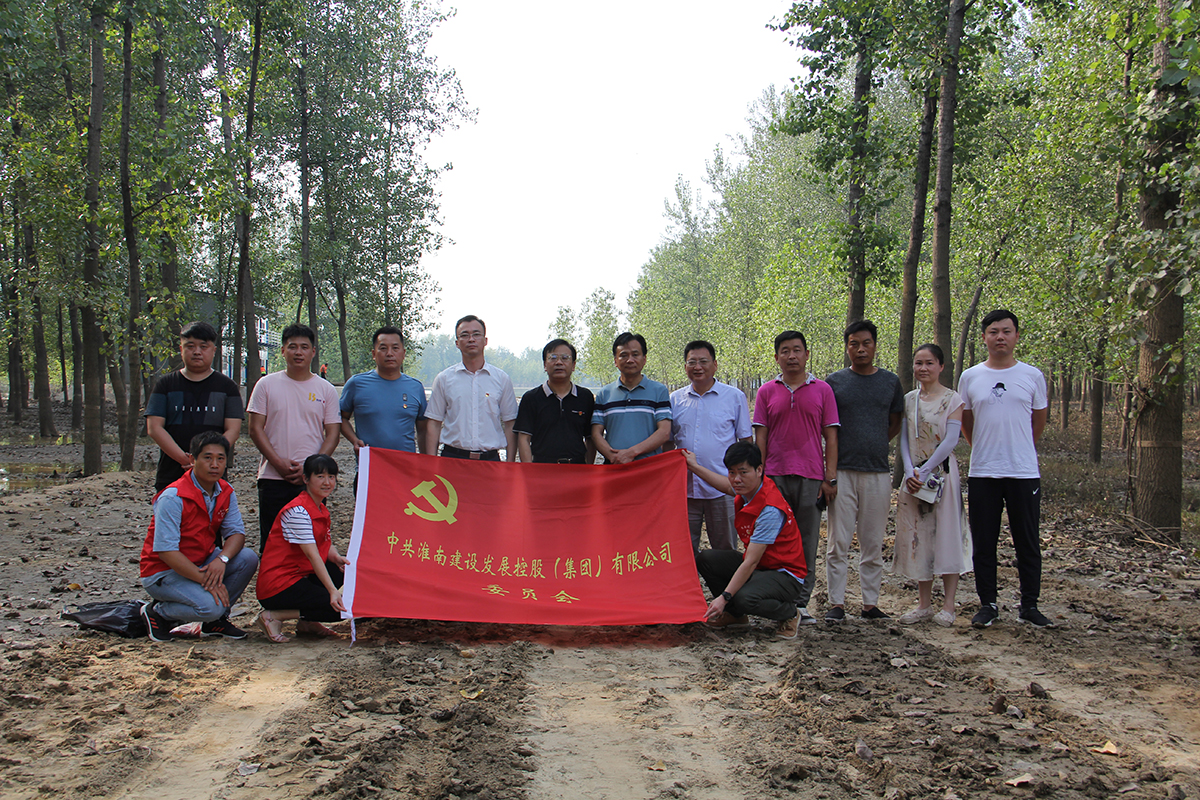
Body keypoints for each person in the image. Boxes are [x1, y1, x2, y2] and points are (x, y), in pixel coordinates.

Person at [959, 309, 1051, 628]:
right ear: (984, 337)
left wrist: (1019, 446)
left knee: (1027, 540)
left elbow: (1037, 421)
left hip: (1023, 471)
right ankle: (988, 604)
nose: (1000, 337)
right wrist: (983, 446)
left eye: (1006, 331)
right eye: (994, 332)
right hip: (983, 471)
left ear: (1016, 336)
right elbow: (967, 422)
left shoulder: (1032, 376)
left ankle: (1030, 605)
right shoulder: (970, 377)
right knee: (984, 541)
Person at [139, 431, 259, 642]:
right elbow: (166, 552)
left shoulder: (225, 491)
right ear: (192, 460)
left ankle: (217, 621)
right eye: (207, 458)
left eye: (220, 458)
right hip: (163, 572)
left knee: (247, 558)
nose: (214, 465)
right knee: (209, 607)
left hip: (202, 561)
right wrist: (207, 581)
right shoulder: (173, 497)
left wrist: (222, 560)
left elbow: (236, 534)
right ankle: (158, 612)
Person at [752, 330, 838, 625]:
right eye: (785, 351)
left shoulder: (823, 390)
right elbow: (761, 437)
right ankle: (775, 599)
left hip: (811, 477)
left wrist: (830, 477)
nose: (791, 356)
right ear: (776, 357)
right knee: (772, 539)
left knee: (806, 540)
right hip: (774, 477)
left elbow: (831, 436)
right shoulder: (766, 392)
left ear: (806, 355)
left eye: (797, 350)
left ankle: (801, 602)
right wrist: (760, 477)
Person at [683, 442, 807, 639]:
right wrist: (694, 466)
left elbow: (750, 562)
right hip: (762, 567)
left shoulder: (770, 509)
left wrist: (724, 598)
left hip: (784, 573)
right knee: (707, 559)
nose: (736, 479)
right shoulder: (749, 490)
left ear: (759, 470)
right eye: (732, 473)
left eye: (743, 472)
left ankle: (790, 613)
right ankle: (735, 616)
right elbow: (725, 485)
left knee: (744, 598)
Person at [823, 320, 904, 623]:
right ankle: (836, 603)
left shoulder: (890, 382)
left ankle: (871, 604)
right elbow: (827, 426)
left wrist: (876, 441)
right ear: (847, 347)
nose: (860, 349)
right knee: (838, 542)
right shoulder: (834, 382)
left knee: (872, 542)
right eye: (854, 344)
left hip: (877, 472)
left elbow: (894, 422)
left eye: (866, 343)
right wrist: (829, 473)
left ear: (875, 345)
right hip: (842, 471)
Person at [894, 344, 972, 627]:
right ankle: (924, 604)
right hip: (914, 478)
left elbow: (951, 440)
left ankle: (949, 605)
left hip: (941, 476)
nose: (923, 368)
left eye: (929, 363)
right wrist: (909, 470)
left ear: (941, 366)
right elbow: (903, 438)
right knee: (920, 536)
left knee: (947, 535)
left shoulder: (953, 399)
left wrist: (926, 469)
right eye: (918, 363)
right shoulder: (909, 399)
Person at [247, 324, 341, 550]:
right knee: (272, 543)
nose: (298, 352)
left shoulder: (326, 389)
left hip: (311, 481)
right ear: (282, 351)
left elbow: (333, 434)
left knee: (312, 543)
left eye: (304, 347)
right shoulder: (265, 385)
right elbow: (255, 429)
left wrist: (312, 469)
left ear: (313, 352)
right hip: (272, 477)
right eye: (292, 347)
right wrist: (277, 462)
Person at [668, 340, 752, 557]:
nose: (698, 367)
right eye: (692, 362)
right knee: (683, 551)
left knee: (725, 549)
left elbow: (745, 442)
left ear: (715, 365)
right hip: (686, 490)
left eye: (703, 361)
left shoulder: (734, 397)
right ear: (685, 366)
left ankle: (725, 582)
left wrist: (743, 481)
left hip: (723, 488)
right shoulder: (675, 399)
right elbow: (668, 442)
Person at [255, 454, 349, 643]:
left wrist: (337, 557)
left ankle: (307, 623)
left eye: (331, 477)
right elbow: (313, 555)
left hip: (301, 574)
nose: (327, 482)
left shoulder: (320, 508)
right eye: (320, 476)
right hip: (279, 585)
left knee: (343, 571)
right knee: (342, 607)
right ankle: (274, 616)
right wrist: (332, 591)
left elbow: (324, 542)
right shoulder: (298, 512)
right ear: (306, 479)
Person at [145, 321, 243, 494]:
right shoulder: (165, 385)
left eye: (203, 347)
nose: (197, 352)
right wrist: (187, 460)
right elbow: (154, 428)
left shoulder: (227, 387)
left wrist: (208, 459)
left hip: (213, 477)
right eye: (190, 346)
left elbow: (233, 430)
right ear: (181, 349)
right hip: (171, 475)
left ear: (214, 350)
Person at [340, 327, 427, 491]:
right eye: (383, 348)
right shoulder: (356, 384)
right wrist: (354, 440)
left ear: (403, 353)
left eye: (395, 348)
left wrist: (425, 462)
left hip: (406, 472)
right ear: (374, 353)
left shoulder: (415, 388)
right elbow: (341, 418)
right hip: (369, 470)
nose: (389, 353)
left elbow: (423, 429)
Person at [424, 315, 519, 461]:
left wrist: (510, 463)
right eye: (464, 335)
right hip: (453, 459)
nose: (471, 339)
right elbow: (434, 423)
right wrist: (431, 462)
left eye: (476, 334)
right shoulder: (444, 379)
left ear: (485, 341)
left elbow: (510, 423)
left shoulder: (501, 379)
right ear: (457, 343)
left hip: (490, 460)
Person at [591, 332, 671, 463]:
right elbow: (596, 433)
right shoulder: (604, 394)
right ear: (615, 361)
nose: (630, 360)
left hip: (649, 468)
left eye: (635, 354)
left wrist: (631, 453)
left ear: (644, 359)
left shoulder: (659, 391)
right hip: (614, 467)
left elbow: (664, 432)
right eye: (623, 355)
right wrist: (613, 457)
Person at [515, 339, 596, 464]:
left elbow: (590, 437)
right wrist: (529, 470)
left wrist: (589, 467)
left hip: (577, 467)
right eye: (553, 358)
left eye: (565, 358)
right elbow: (524, 438)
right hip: (542, 467)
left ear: (573, 365)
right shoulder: (531, 398)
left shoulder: (585, 397)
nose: (559, 362)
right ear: (545, 365)